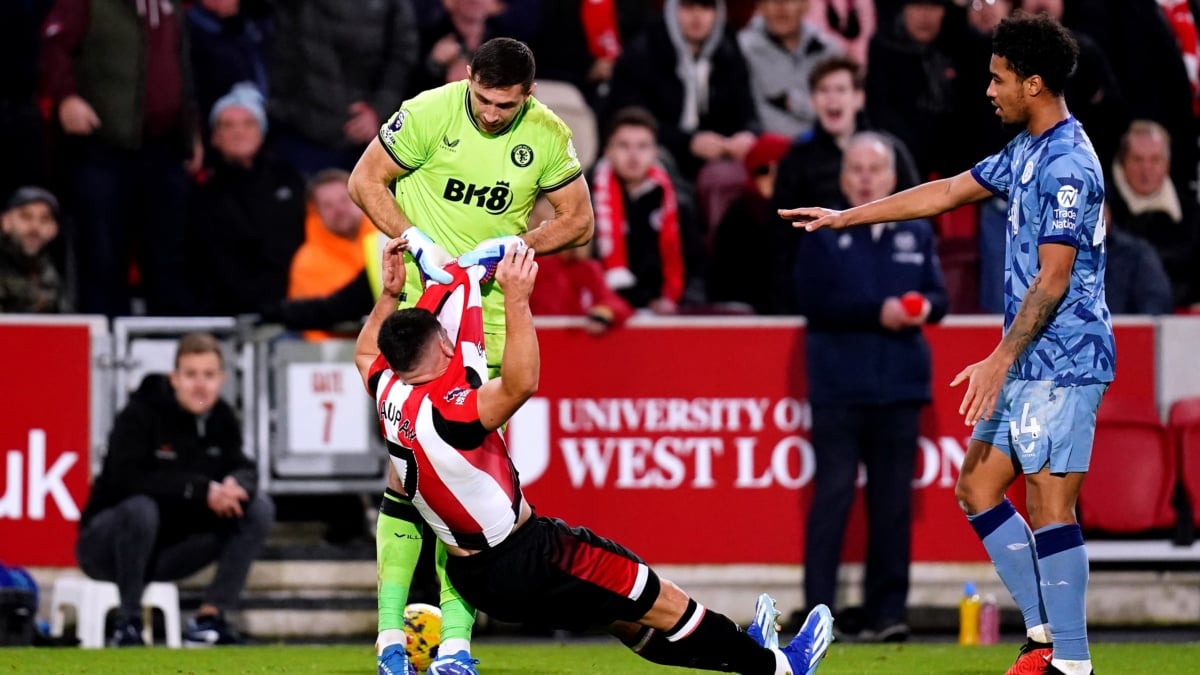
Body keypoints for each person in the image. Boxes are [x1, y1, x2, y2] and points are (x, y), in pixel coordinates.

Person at [780, 12, 1111, 675]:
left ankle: (1069, 660)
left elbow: (1054, 279)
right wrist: (848, 215)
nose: (988, 90)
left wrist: (999, 358)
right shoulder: (1026, 150)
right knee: (977, 488)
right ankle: (1045, 636)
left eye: (999, 78)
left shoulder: (1070, 163)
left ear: (1035, 84)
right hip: (1027, 359)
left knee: (1049, 504)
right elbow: (947, 191)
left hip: (1064, 359)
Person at [354, 236, 834, 675]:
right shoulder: (454, 409)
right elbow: (522, 384)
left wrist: (390, 294)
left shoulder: (388, 392)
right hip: (528, 554)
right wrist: (517, 300)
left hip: (477, 579)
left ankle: (746, 653)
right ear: (442, 343)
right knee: (656, 596)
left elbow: (362, 353)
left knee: (626, 619)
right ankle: (781, 668)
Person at [346, 36, 594, 675]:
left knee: (469, 488)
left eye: (503, 105)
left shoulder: (544, 132)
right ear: (467, 80)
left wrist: (514, 248)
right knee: (407, 475)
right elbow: (364, 180)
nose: (489, 113)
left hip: (485, 321)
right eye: (481, 98)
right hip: (422, 313)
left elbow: (579, 220)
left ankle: (456, 646)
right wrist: (413, 238)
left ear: (527, 96)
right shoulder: (429, 111)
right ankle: (389, 641)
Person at [795, 132, 948, 643]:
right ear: (843, 177)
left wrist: (924, 308)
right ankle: (820, 613)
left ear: (891, 178)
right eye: (855, 168)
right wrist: (875, 312)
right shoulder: (821, 227)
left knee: (892, 504)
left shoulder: (915, 229)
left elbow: (939, 297)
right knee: (833, 496)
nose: (864, 177)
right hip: (839, 386)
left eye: (874, 169)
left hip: (901, 386)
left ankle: (889, 614)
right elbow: (813, 301)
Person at [76, 332, 275, 647]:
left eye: (209, 375)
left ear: (222, 379)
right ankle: (127, 623)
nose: (200, 384)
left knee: (257, 507)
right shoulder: (140, 414)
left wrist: (236, 485)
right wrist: (200, 491)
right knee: (141, 508)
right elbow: (126, 479)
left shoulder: (221, 418)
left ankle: (209, 620)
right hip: (106, 547)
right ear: (174, 378)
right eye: (191, 374)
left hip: (170, 550)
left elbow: (244, 466)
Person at [189, 83, 306, 316]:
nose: (238, 132)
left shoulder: (289, 179)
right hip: (222, 311)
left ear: (261, 132)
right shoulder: (200, 192)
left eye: (248, 124)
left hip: (288, 305)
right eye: (228, 125)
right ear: (214, 137)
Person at [0, 186, 69, 313]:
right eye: (26, 217)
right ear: (6, 222)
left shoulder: (54, 269)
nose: (35, 227)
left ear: (54, 229)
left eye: (44, 219)